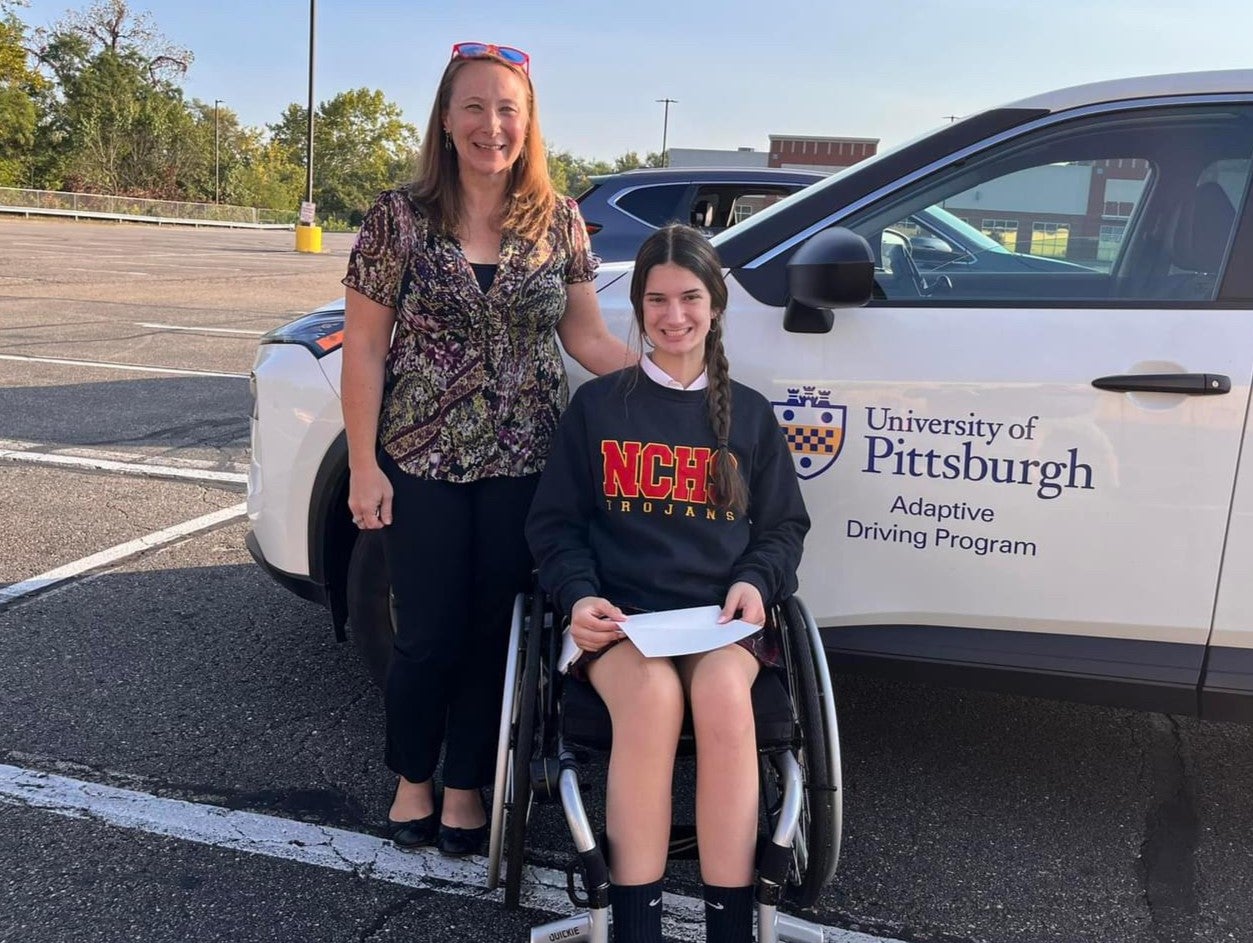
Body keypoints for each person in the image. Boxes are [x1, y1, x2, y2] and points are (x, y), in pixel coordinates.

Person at [340, 41, 633, 857]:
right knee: (426, 630)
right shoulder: (397, 218)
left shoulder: (558, 219)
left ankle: (467, 783)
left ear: (528, 122)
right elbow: (364, 348)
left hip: (524, 462)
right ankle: (412, 777)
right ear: (444, 118)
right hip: (420, 458)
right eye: (472, 106)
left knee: (492, 630)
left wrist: (673, 379)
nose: (490, 124)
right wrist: (363, 464)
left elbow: (586, 336)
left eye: (507, 108)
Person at [525, 224, 810, 943]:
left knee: (718, 694)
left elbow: (782, 527)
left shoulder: (747, 413)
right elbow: (555, 526)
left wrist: (754, 580)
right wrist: (578, 595)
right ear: (640, 308)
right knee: (652, 699)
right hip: (622, 620)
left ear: (714, 304)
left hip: (719, 620)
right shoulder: (597, 408)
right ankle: (634, 925)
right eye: (656, 299)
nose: (673, 315)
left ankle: (730, 927)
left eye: (689, 297)